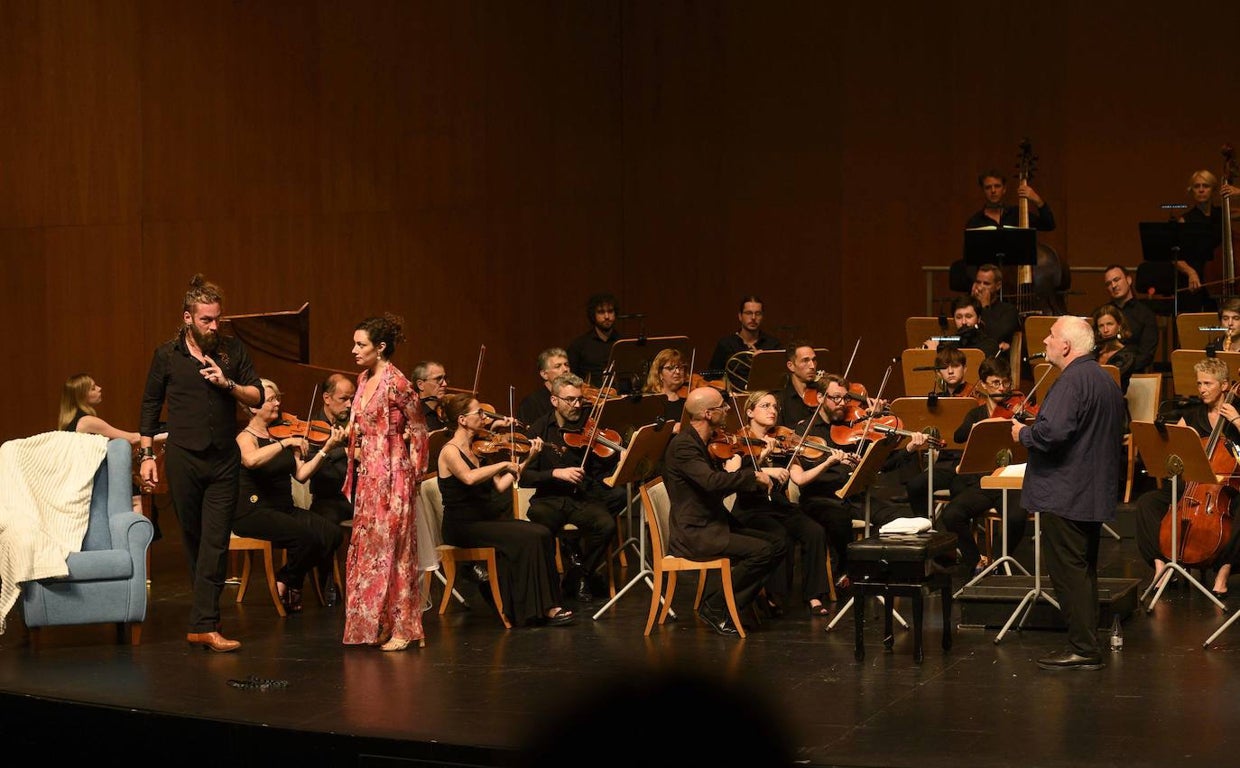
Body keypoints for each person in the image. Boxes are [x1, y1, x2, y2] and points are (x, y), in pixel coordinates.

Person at [139, 274, 263, 654]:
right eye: (206, 319)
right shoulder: (167, 355)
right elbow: (149, 406)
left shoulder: (231, 351)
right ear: (187, 317)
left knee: (215, 541)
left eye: (217, 319)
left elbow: (256, 395)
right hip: (183, 458)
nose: (213, 326)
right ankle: (203, 620)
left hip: (223, 459)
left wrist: (228, 385)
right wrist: (146, 456)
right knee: (193, 538)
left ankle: (205, 624)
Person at [1012, 315, 1126, 670]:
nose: (1045, 341)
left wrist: (1022, 435)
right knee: (1083, 570)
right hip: (1089, 491)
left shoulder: (1071, 381)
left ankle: (1084, 648)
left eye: (1051, 335)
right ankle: (1087, 643)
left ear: (1066, 346)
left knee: (1069, 572)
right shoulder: (1105, 380)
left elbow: (1052, 434)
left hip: (1066, 492)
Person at [437, 393, 575, 627]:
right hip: (463, 526)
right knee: (529, 537)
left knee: (540, 532)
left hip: (485, 520)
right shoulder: (449, 451)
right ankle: (535, 609)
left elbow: (501, 485)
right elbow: (469, 479)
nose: (486, 417)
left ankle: (546, 605)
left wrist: (529, 458)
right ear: (462, 420)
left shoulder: (479, 448)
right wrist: (503, 463)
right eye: (479, 413)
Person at [787, 374, 929, 590]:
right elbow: (803, 475)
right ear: (819, 398)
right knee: (839, 518)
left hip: (853, 496)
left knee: (897, 518)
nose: (842, 404)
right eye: (835, 398)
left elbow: (883, 464)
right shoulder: (804, 431)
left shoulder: (853, 427)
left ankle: (883, 571)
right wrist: (833, 461)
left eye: (845, 399)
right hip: (821, 499)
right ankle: (846, 571)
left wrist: (908, 449)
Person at [664, 386, 785, 636]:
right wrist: (751, 475)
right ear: (708, 414)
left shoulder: (705, 442)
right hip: (696, 532)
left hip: (712, 521)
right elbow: (711, 483)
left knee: (778, 543)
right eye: (722, 406)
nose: (728, 409)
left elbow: (713, 486)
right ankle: (717, 605)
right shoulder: (684, 446)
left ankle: (732, 602)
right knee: (762, 551)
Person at [343, 313, 429, 652]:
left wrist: (416, 474)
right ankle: (379, 622)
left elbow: (419, 428)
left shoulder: (398, 381)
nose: (354, 350)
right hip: (369, 476)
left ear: (380, 347)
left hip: (394, 475)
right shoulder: (364, 378)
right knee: (369, 551)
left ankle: (406, 628)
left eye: (360, 344)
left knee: (396, 552)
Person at [233, 379, 346, 614]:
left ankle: (288, 579)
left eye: (278, 398)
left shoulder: (282, 432)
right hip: (254, 512)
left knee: (332, 534)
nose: (278, 403)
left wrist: (326, 449)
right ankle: (289, 583)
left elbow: (302, 475)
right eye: (271, 399)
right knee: (307, 536)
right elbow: (250, 460)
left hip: (283, 508)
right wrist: (285, 443)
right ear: (254, 406)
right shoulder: (246, 437)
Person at [1134, 356, 1240, 598]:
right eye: (1199, 384)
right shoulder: (1192, 416)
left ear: (1225, 385)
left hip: (1229, 490)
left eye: (1208, 384)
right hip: (1192, 487)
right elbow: (1173, 448)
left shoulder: (1237, 414)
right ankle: (1161, 566)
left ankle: (1223, 571)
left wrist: (1235, 419)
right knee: (1148, 503)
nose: (1201, 389)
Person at [727, 390, 831, 616]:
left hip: (779, 505)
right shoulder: (739, 442)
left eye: (775, 406)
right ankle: (775, 597)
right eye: (765, 406)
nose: (772, 411)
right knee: (780, 536)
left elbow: (799, 478)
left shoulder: (784, 440)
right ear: (750, 412)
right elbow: (732, 474)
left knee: (815, 531)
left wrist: (828, 460)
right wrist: (764, 463)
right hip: (751, 509)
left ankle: (814, 595)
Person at [520, 373, 620, 603]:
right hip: (549, 499)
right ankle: (548, 585)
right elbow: (524, 477)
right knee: (540, 525)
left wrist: (612, 457)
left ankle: (580, 573)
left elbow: (599, 469)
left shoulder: (588, 425)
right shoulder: (539, 430)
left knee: (606, 525)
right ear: (554, 400)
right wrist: (555, 473)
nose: (577, 406)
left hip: (580, 498)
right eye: (570, 400)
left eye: (579, 400)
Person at [937, 357, 1027, 576]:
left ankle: (998, 559)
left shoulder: (1018, 412)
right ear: (984, 385)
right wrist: (979, 426)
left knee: (1016, 517)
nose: (1002, 389)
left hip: (1012, 481)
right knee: (951, 514)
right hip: (985, 482)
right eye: (995, 383)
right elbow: (959, 436)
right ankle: (976, 561)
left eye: (1006, 383)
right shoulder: (977, 413)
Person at [904, 346, 974, 518]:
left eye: (955, 366)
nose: (950, 371)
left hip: (967, 463)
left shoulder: (974, 398)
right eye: (944, 367)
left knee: (959, 489)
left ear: (965, 369)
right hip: (944, 463)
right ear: (938, 372)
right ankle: (927, 526)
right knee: (915, 485)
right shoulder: (936, 401)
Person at [306, 372, 356, 605]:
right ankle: (326, 581)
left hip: (356, 496)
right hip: (328, 497)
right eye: (343, 399)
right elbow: (311, 463)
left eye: (352, 399)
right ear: (326, 398)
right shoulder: (311, 426)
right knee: (324, 527)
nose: (349, 404)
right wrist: (342, 450)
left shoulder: (354, 425)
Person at [708, 295, 782, 390]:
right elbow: (711, 375)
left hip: (765, 396)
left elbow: (781, 379)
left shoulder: (773, 344)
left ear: (762, 316)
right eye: (748, 313)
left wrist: (763, 364)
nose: (753, 318)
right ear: (740, 316)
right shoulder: (725, 344)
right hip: (734, 398)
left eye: (758, 313)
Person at [1101, 264, 1158, 372]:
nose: (1113, 285)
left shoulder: (1146, 314)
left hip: (1134, 375)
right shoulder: (1103, 313)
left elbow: (1147, 355)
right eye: (1109, 283)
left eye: (1117, 280)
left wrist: (1122, 370)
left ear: (1129, 280)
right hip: (1104, 374)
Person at [59, 373, 141, 443]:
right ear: (81, 396)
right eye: (93, 388)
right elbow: (132, 438)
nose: (99, 388)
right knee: (120, 444)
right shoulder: (86, 421)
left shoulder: (69, 423)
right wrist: (151, 435)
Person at [965, 169, 1056, 231]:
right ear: (983, 191)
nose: (993, 191)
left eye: (997, 186)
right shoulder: (975, 222)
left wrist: (1037, 200)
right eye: (988, 187)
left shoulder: (1017, 214)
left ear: (1004, 189)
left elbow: (1048, 225)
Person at [566, 292, 619, 389]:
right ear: (593, 315)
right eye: (601, 312)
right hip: (590, 400)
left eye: (610, 311)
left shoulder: (622, 342)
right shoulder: (579, 345)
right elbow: (571, 378)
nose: (607, 316)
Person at [923, 296, 1000, 359]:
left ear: (979, 319)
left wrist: (935, 354)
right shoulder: (948, 344)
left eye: (968, 316)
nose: (963, 322)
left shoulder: (989, 345)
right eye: (959, 317)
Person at [970, 264, 1019, 353]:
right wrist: (971, 301)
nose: (980, 287)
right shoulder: (969, 308)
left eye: (986, 283)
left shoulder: (1009, 311)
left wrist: (985, 307)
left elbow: (993, 337)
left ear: (998, 286)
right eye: (978, 282)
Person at [517, 347, 571, 427]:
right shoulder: (531, 403)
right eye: (558, 366)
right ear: (544, 374)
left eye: (566, 365)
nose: (565, 369)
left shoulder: (574, 399)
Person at [1090, 303, 1137, 390]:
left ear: (1119, 326)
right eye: (1101, 326)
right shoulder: (1094, 353)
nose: (1105, 330)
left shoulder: (1127, 356)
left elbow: (1109, 383)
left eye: (1110, 324)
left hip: (1114, 400)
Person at [642, 347, 688, 425]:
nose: (677, 372)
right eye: (670, 368)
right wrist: (669, 429)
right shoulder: (649, 401)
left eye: (680, 367)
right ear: (659, 373)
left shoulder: (687, 400)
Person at [411, 360, 448, 432]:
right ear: (420, 385)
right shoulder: (414, 415)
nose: (445, 384)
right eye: (438, 379)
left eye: (445, 379)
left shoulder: (449, 410)